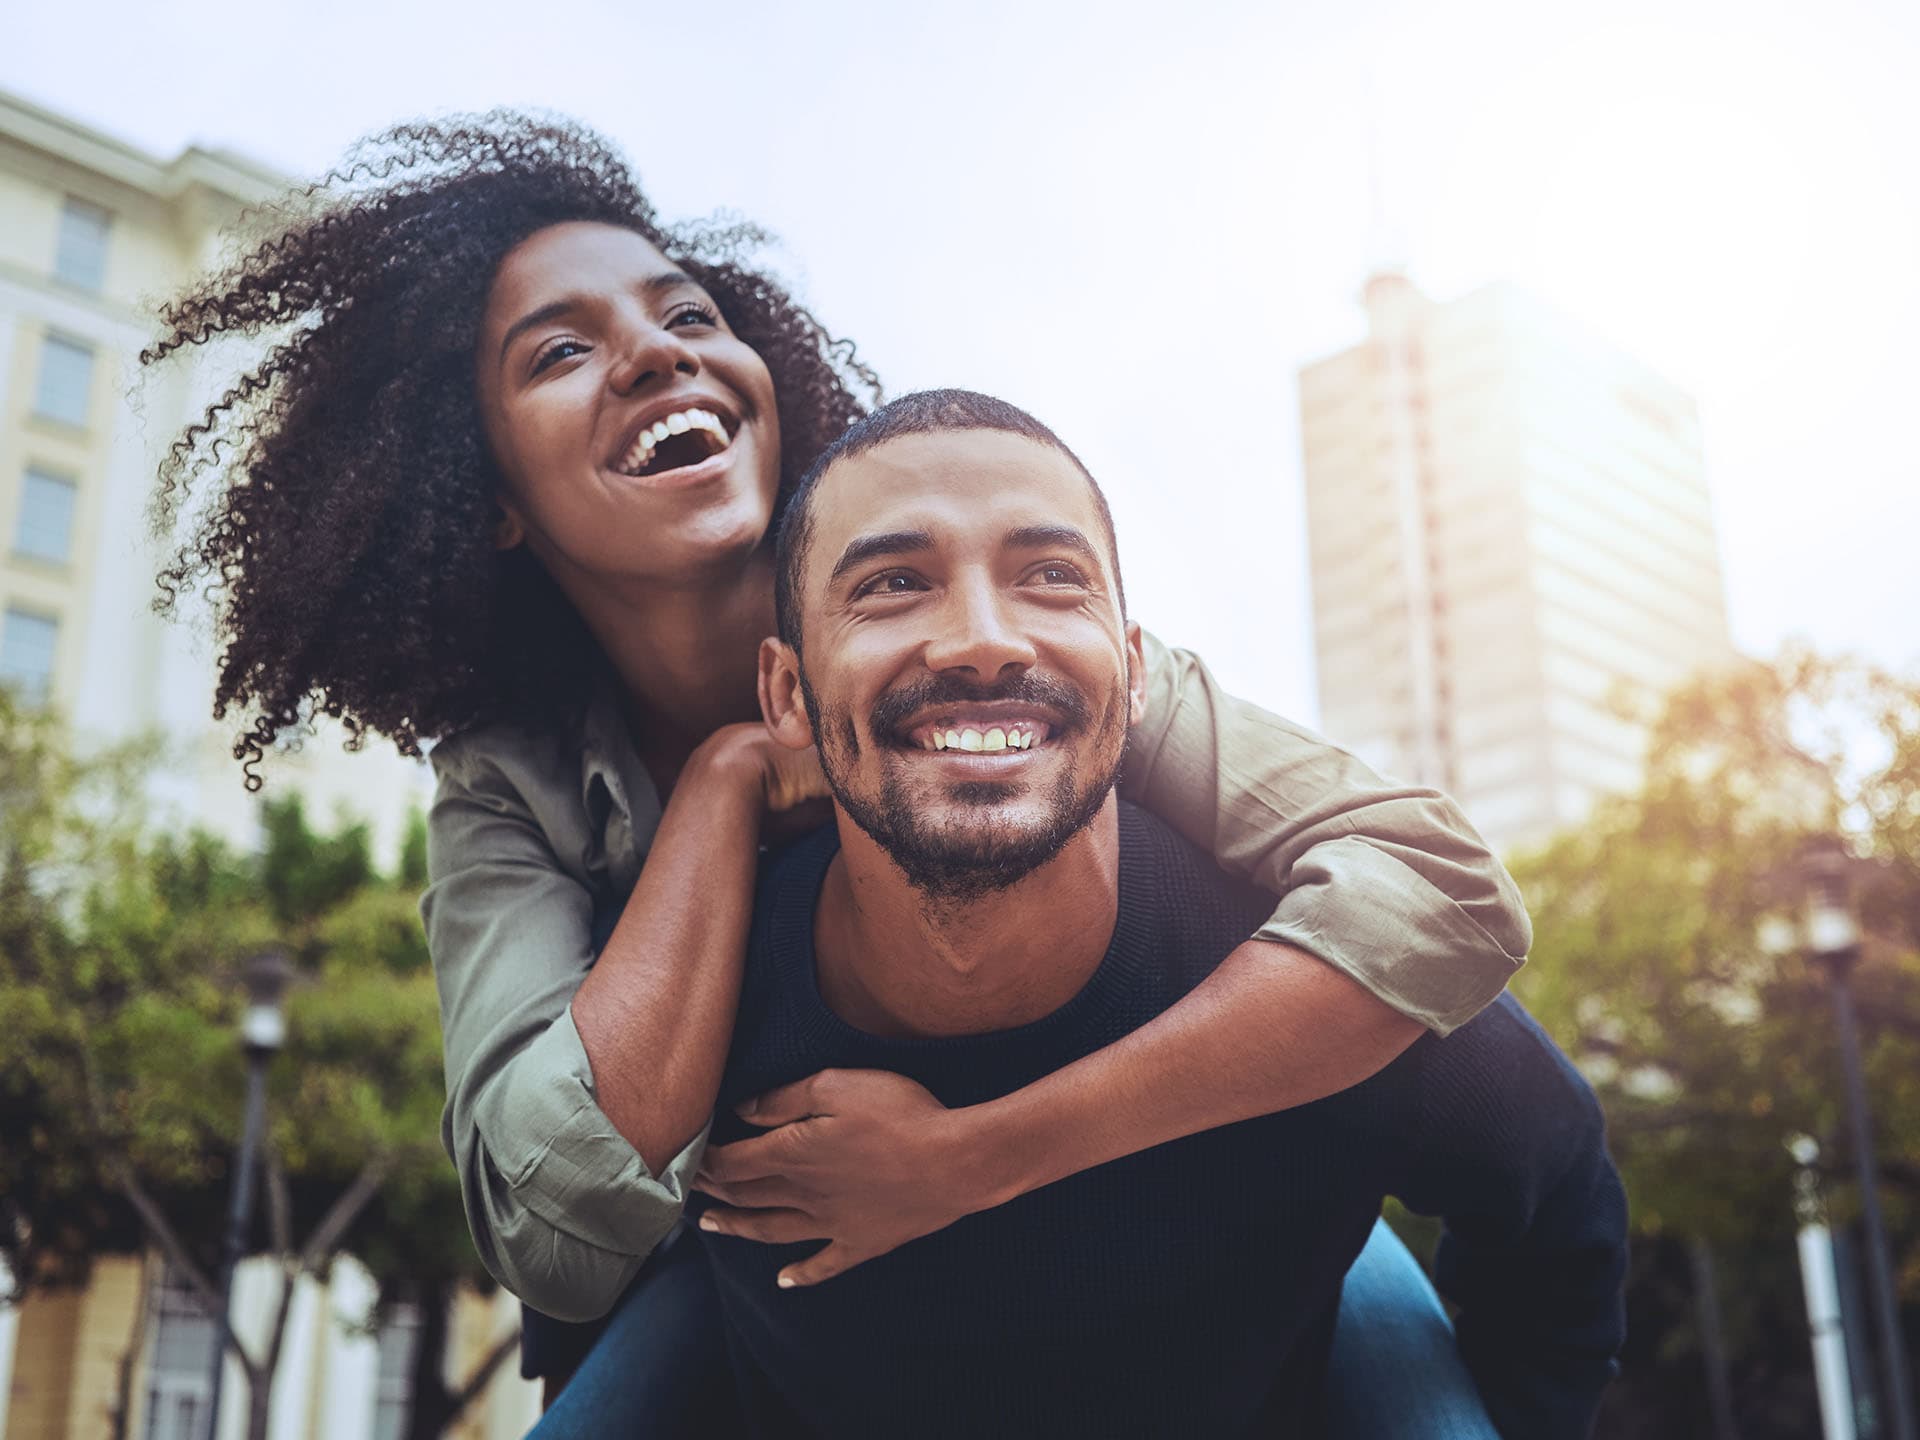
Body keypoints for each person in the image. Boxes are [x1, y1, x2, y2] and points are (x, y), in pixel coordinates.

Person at [142, 115, 1531, 1400]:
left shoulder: (1010, 653)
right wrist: (726, 786)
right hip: (766, 1278)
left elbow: (1436, 893)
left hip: (1181, 1193)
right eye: (560, 353)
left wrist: (980, 1157)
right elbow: (548, 1226)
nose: (654, 354)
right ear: (485, 497)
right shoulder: (509, 789)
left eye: (689, 314)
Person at [684, 389, 1627, 1438]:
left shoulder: (1325, 981)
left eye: (1050, 578)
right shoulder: (707, 996)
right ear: (786, 695)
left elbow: (1560, 1193)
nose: (983, 641)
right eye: (894, 584)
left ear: (1135, 673)